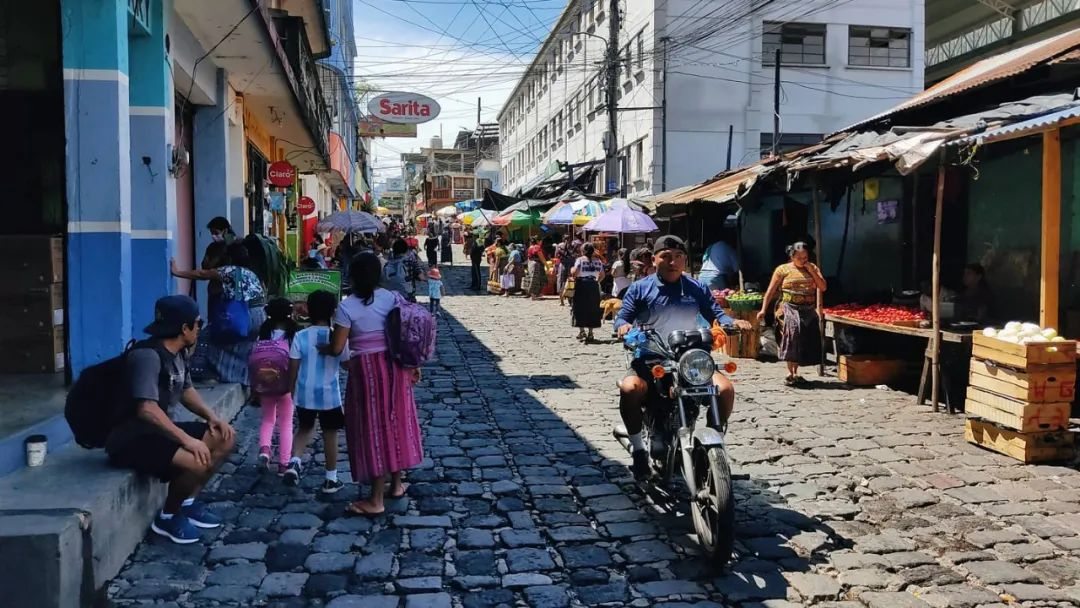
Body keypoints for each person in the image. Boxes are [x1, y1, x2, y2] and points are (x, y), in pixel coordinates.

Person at [614, 235, 751, 479]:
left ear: (685, 261)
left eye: (678, 257)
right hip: (651, 358)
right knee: (630, 388)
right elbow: (623, 316)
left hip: (690, 359)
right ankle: (638, 451)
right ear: (654, 260)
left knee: (726, 390)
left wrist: (732, 322)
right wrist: (623, 327)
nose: (672, 262)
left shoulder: (696, 287)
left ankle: (713, 444)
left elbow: (716, 313)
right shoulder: (640, 288)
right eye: (666, 256)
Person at [105, 295, 236, 544]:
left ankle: (186, 503)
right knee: (197, 461)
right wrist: (189, 441)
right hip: (131, 438)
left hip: (157, 431)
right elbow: (146, 409)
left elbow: (186, 390)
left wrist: (212, 417)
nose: (200, 328)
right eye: (198, 323)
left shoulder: (178, 353)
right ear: (184, 328)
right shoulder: (147, 356)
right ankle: (167, 517)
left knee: (225, 438)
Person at [324, 252, 424, 516]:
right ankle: (397, 485)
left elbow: (337, 348)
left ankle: (375, 499)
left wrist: (322, 345)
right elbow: (404, 334)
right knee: (394, 422)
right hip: (395, 365)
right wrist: (414, 365)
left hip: (367, 371)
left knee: (373, 430)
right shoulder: (391, 298)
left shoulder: (347, 307)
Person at [171, 242, 267, 387]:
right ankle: (244, 379)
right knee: (244, 347)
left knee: (206, 338)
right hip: (260, 316)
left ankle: (206, 374)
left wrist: (178, 272)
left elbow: (202, 274)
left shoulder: (228, 270)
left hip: (243, 315)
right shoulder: (250, 273)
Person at [284, 290, 350, 493]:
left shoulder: (300, 336)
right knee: (330, 434)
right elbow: (347, 364)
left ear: (309, 310)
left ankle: (294, 462)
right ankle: (331, 478)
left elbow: (293, 366)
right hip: (329, 395)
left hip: (305, 392)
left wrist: (292, 390)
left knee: (304, 428)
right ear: (333, 312)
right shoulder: (337, 338)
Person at [757, 241, 827, 386]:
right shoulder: (782, 269)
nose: (803, 260)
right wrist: (764, 309)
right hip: (789, 307)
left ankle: (796, 372)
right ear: (792, 257)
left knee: (803, 338)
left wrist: (812, 271)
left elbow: (822, 287)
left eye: (805, 257)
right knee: (792, 334)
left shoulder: (812, 268)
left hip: (807, 308)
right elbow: (770, 291)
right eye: (799, 257)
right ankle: (790, 372)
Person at [252, 298, 299, 475]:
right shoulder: (293, 335)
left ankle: (265, 450)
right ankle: (283, 464)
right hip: (286, 384)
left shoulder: (263, 333)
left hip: (265, 382)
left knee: (267, 419)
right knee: (286, 423)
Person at [571, 243, 606, 342]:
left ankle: (582, 331)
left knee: (579, 307)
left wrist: (572, 270)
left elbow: (576, 272)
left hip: (582, 284)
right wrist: (596, 282)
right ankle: (590, 333)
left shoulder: (580, 260)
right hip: (593, 285)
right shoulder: (598, 261)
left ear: (582, 251)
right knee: (592, 308)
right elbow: (602, 274)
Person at [381, 238, 425, 302]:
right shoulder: (410, 257)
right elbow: (421, 275)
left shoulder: (390, 259)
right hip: (408, 291)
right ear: (406, 249)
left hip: (392, 292)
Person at [555, 235, 574, 307]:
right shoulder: (573, 245)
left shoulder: (559, 245)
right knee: (571, 283)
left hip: (562, 265)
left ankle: (562, 301)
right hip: (571, 266)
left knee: (561, 282)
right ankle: (570, 301)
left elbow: (556, 255)